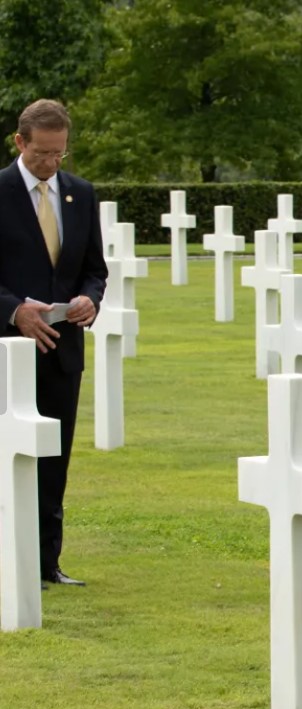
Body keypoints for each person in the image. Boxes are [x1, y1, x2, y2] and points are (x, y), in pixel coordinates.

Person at [0, 99, 107, 588]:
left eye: (59, 154)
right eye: (42, 153)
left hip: (62, 352)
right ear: (20, 143)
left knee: (54, 459)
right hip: (7, 351)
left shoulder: (80, 195)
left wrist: (88, 300)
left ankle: (47, 564)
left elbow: (94, 270)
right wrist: (14, 310)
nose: (50, 164)